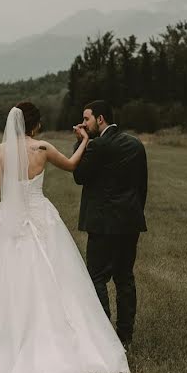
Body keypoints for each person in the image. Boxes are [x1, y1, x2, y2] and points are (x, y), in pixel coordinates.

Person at [0, 102, 130, 373]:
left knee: (5, 282)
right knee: (57, 279)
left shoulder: (0, 152)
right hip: (42, 219)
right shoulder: (43, 149)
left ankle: (2, 342)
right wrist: (85, 140)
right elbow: (73, 165)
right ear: (35, 125)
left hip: (8, 221)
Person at [72, 100, 148, 349]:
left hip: (104, 225)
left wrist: (80, 141)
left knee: (96, 277)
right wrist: (135, 213)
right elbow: (142, 187)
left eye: (86, 119)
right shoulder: (135, 144)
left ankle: (104, 337)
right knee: (124, 277)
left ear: (100, 119)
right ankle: (125, 336)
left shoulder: (97, 146)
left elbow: (78, 175)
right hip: (130, 222)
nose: (83, 124)